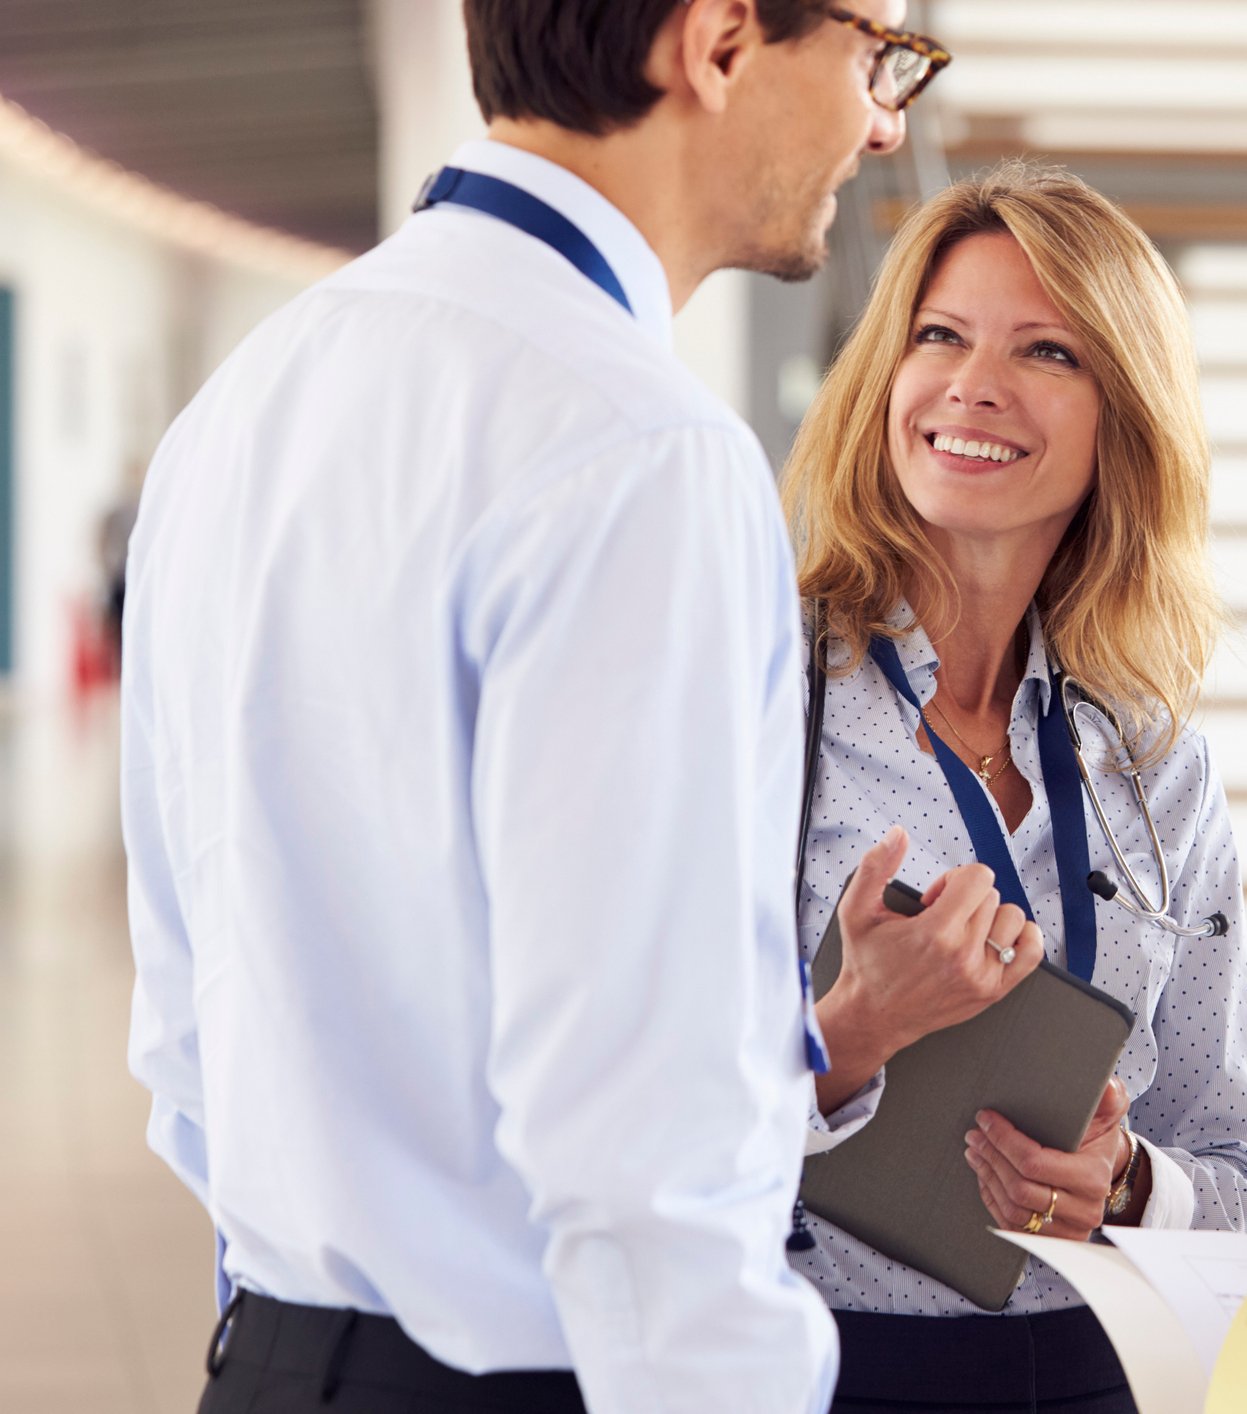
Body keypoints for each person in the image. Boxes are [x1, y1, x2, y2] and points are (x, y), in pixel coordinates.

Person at [120, 2, 955, 1409]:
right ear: (723, 40)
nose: (884, 122)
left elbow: (189, 1035)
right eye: (877, 55)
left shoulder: (248, 397)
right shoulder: (642, 448)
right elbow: (647, 1150)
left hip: (273, 1359)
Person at [778, 162, 1247, 1413]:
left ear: (1126, 412)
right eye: (939, 335)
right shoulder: (755, 700)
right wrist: (848, 1035)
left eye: (1046, 350)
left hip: (1094, 1374)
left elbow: (1245, 1177)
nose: (974, 385)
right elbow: (618, 1119)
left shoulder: (1155, 761)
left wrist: (1124, 1184)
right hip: (813, 1367)